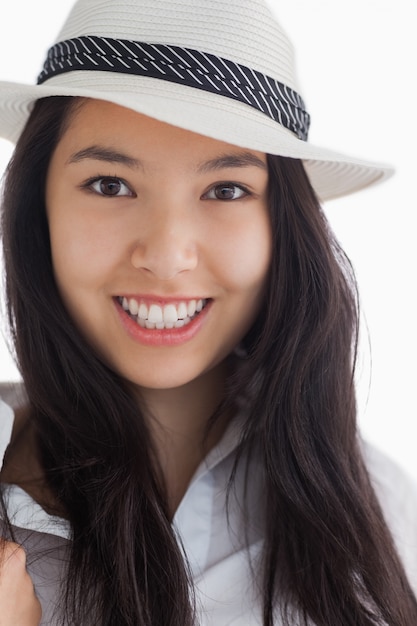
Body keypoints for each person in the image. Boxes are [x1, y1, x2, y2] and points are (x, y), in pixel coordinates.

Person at [0, 0, 416, 624]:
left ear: (283, 227)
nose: (166, 256)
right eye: (110, 184)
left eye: (226, 190)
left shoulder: (377, 506)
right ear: (40, 211)